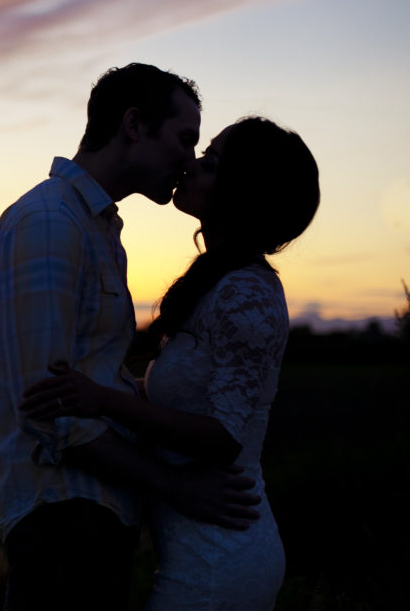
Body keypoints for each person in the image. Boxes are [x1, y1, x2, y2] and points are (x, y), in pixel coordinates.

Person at [0, 63, 261, 611]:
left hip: (94, 517)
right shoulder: (50, 222)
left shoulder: (98, 230)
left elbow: (87, 376)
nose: (189, 158)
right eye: (184, 138)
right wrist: (176, 487)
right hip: (62, 515)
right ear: (134, 125)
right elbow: (49, 408)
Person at [20, 116, 320, 609]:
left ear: (243, 190)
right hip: (201, 548)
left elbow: (224, 436)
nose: (191, 164)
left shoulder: (247, 292)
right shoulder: (222, 282)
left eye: (211, 161)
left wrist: (102, 401)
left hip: (221, 557)